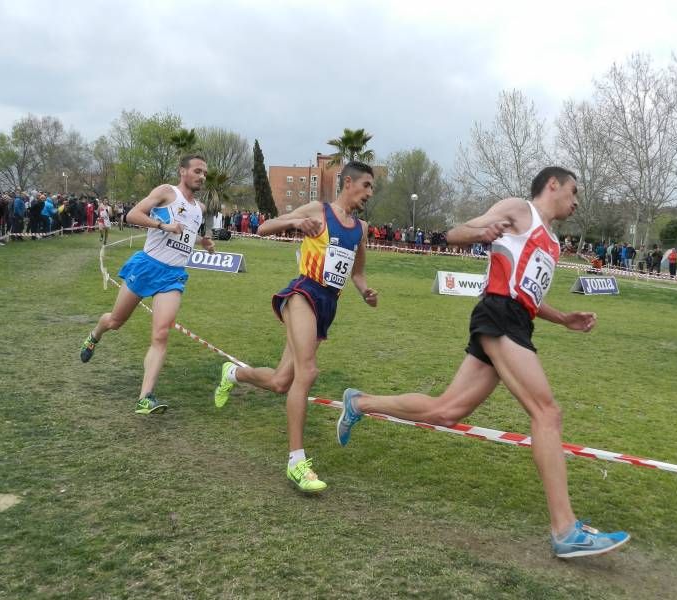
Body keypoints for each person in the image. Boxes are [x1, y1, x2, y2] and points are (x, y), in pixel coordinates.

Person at [336, 166, 630, 559]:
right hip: (498, 316)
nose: (576, 201)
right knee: (547, 412)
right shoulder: (518, 210)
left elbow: (527, 294)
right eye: (573, 191)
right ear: (553, 184)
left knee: (446, 411)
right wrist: (481, 233)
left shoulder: (552, 243)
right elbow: (455, 234)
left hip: (516, 319)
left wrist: (562, 318)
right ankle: (565, 530)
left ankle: (359, 402)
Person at [213, 161, 379, 494]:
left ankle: (233, 374)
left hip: (328, 304)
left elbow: (357, 272)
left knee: (280, 381)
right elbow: (264, 228)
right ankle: (296, 462)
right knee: (308, 372)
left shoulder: (360, 229)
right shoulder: (319, 210)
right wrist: (295, 221)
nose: (369, 194)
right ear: (348, 183)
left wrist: (365, 292)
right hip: (303, 293)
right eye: (366, 186)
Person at [79, 154, 215, 414]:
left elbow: (184, 234)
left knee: (161, 333)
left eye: (205, 173)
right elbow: (132, 215)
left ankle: (145, 397)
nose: (202, 176)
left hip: (173, 275)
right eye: (197, 171)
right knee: (115, 322)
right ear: (183, 171)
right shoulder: (167, 192)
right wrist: (162, 224)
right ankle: (95, 335)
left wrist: (202, 242)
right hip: (147, 266)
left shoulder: (200, 208)